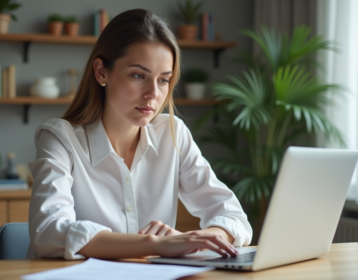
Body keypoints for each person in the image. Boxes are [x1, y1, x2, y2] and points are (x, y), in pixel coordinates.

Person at [27, 8, 252, 260]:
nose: (152, 94)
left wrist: (198, 239)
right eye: (138, 75)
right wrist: (153, 244)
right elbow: (48, 232)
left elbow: (234, 217)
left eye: (163, 80)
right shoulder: (60, 138)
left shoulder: (172, 133)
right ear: (102, 72)